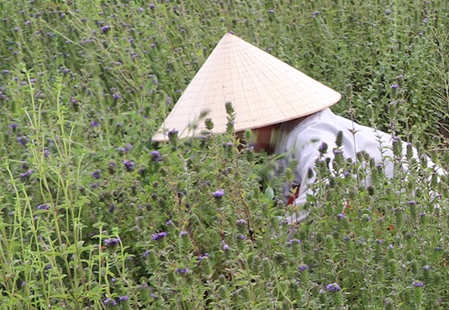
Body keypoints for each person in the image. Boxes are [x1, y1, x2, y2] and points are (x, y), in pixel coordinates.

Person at [154, 32, 432, 221]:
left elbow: (327, 195)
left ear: (264, 118)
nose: (232, 141)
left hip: (427, 218)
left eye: (237, 130)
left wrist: (271, 243)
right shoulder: (278, 149)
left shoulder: (313, 135)